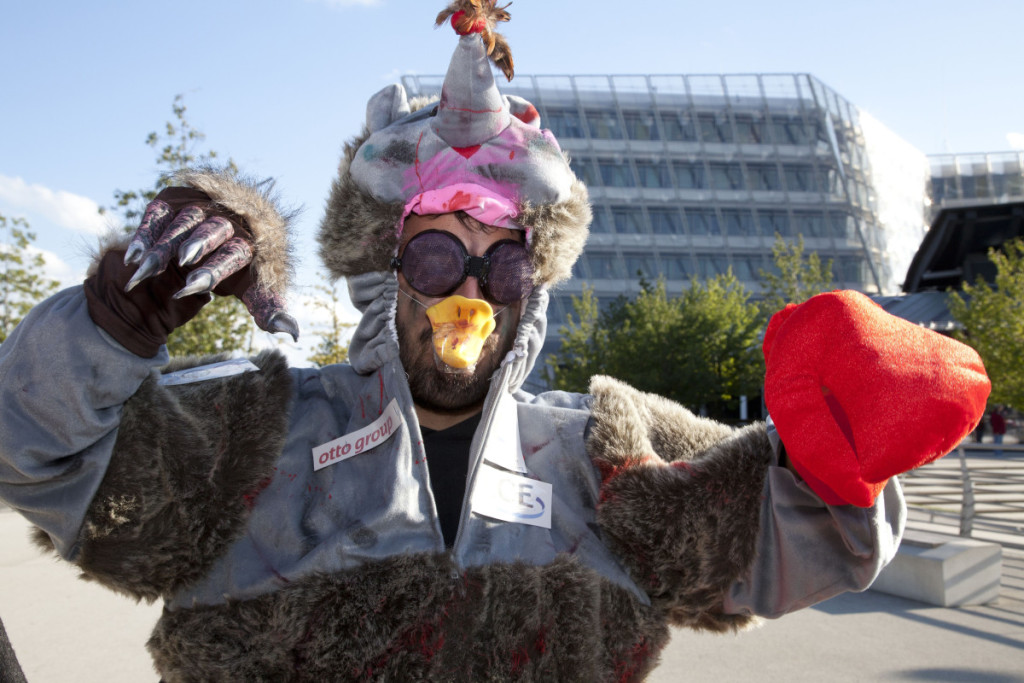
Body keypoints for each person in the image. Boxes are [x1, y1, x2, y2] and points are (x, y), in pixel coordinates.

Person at [0, 3, 991, 681]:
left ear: (534, 288)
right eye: (436, 254)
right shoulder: (249, 429)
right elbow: (39, 451)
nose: (470, 287)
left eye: (502, 263)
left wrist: (851, 431)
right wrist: (113, 320)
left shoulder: (604, 448)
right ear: (382, 272)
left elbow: (793, 538)